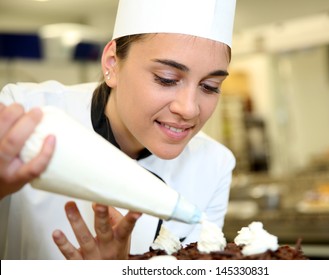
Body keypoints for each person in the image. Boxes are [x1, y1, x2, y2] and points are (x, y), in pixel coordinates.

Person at [0, 0, 236, 259]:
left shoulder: (214, 165)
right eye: (166, 79)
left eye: (210, 86)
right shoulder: (23, 111)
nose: (189, 109)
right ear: (112, 63)